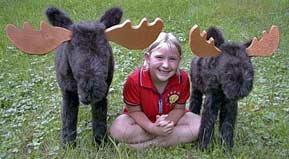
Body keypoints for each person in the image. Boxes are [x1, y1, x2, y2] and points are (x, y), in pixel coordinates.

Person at [109, 32, 201, 149]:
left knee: (200, 125)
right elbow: (134, 112)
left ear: (179, 60)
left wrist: (167, 124)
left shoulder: (182, 79)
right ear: (148, 58)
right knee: (118, 129)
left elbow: (179, 108)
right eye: (159, 57)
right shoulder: (135, 80)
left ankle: (147, 145)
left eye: (172, 59)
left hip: (170, 120)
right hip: (140, 122)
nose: (166, 65)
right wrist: (153, 128)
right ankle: (168, 138)